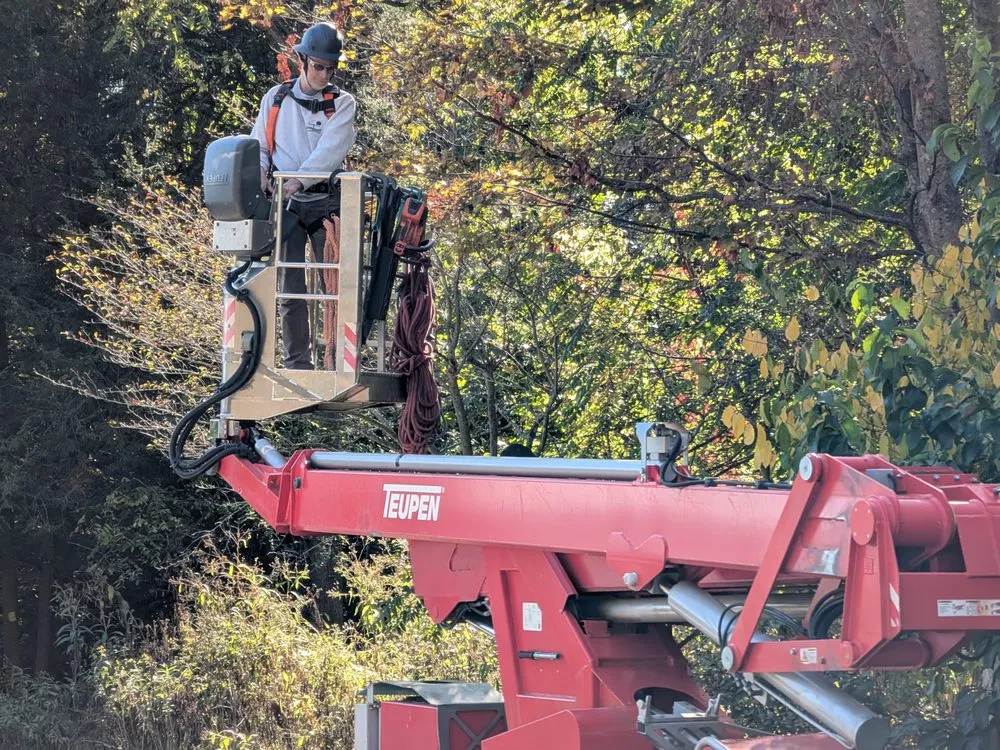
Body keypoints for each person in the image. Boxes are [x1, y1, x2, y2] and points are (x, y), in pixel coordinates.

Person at [249, 22, 357, 369]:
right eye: (319, 66)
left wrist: (298, 180)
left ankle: (337, 359)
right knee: (289, 282)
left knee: (336, 284)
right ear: (304, 62)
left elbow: (330, 150)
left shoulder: (341, 104)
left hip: (325, 200)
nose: (324, 74)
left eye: (331, 68)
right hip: (284, 201)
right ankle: (298, 361)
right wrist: (263, 177)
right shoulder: (276, 98)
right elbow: (260, 145)